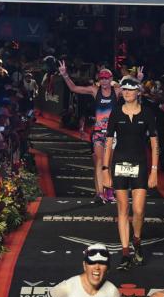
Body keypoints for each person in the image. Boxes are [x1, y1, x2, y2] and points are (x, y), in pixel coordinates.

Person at [58, 60, 142, 204]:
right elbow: (74, 88)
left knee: (109, 163)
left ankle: (109, 191)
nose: (104, 81)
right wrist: (65, 75)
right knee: (99, 162)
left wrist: (139, 79)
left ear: (111, 79)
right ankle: (99, 193)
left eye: (106, 78)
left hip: (112, 133)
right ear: (99, 79)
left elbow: (134, 92)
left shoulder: (117, 91)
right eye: (101, 78)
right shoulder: (94, 90)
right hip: (98, 133)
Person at [103, 77, 159, 270]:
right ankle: (126, 253)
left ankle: (137, 240)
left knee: (139, 210)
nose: (126, 92)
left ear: (138, 92)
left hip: (140, 165)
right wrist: (105, 169)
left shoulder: (148, 113)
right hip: (119, 164)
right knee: (123, 209)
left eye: (130, 89)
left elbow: (154, 143)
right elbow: (108, 142)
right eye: (124, 89)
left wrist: (154, 171)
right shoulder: (116, 112)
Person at [38, 243, 123, 297]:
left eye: (102, 263)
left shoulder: (112, 290)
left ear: (108, 268)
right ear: (84, 265)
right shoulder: (66, 288)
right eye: (92, 263)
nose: (97, 267)